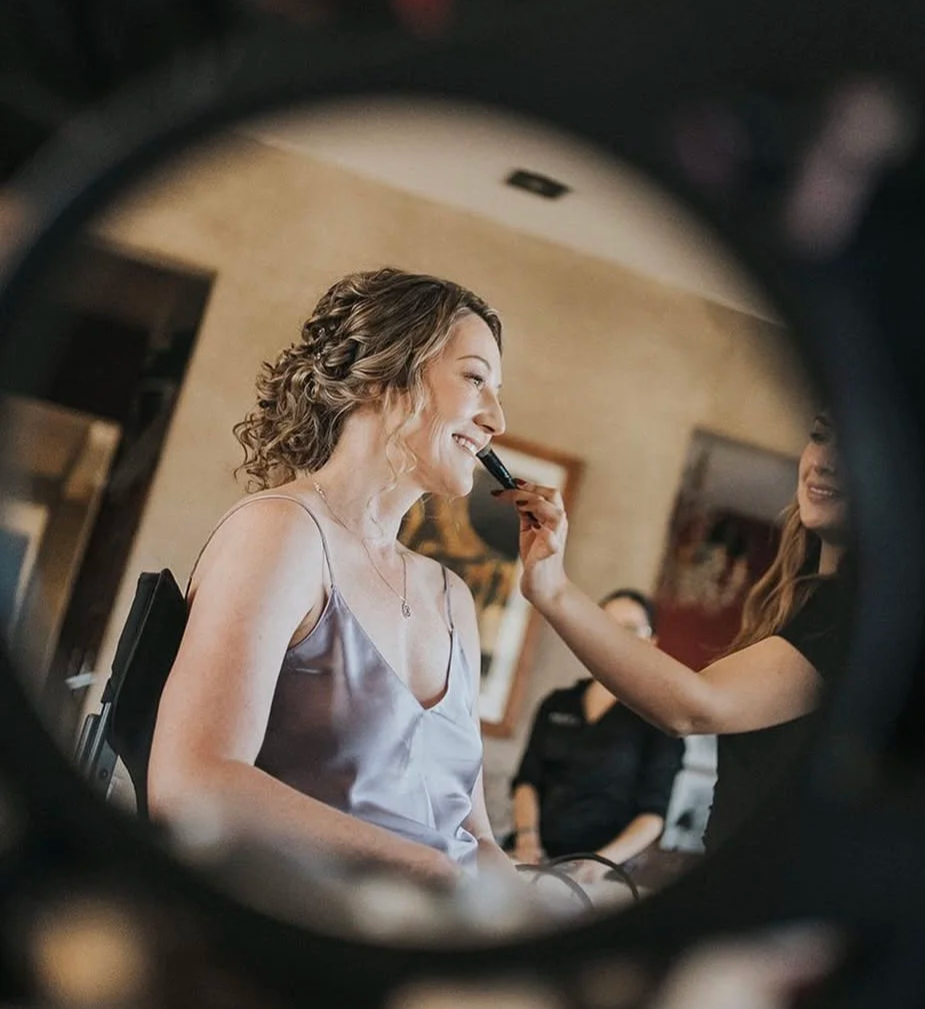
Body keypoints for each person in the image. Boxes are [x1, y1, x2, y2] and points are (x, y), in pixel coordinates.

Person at [147, 267, 515, 889]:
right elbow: (190, 783)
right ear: (386, 372)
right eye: (475, 378)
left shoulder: (450, 596)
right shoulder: (282, 533)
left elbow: (475, 838)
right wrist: (430, 871)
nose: (497, 420)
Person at [496, 412, 854, 852]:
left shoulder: (851, 610)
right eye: (820, 435)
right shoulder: (809, 604)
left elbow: (694, 708)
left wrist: (552, 591)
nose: (825, 460)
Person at [509, 589, 684, 884]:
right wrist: (527, 840)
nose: (614, 636)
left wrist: (598, 864)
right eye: (605, 623)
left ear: (651, 643)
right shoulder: (557, 703)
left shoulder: (660, 720)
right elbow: (527, 780)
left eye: (629, 629)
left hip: (605, 870)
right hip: (532, 854)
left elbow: (653, 816)